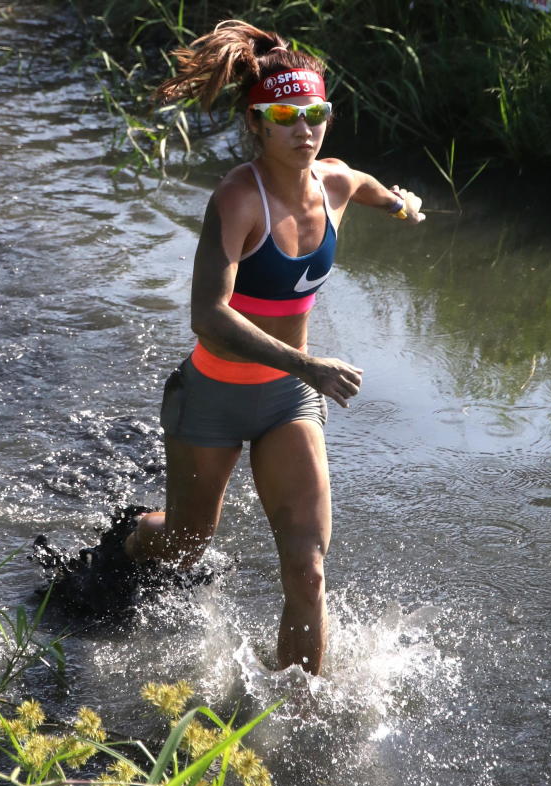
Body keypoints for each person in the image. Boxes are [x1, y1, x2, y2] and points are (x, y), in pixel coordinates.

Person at [91, 20, 424, 674]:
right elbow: (208, 316)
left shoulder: (335, 184)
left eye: (316, 113)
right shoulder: (238, 200)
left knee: (307, 570)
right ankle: (128, 543)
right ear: (257, 125)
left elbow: (370, 187)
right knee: (185, 545)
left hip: (287, 402)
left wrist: (403, 207)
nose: (305, 129)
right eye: (285, 117)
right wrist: (309, 362)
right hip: (212, 397)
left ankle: (299, 719)